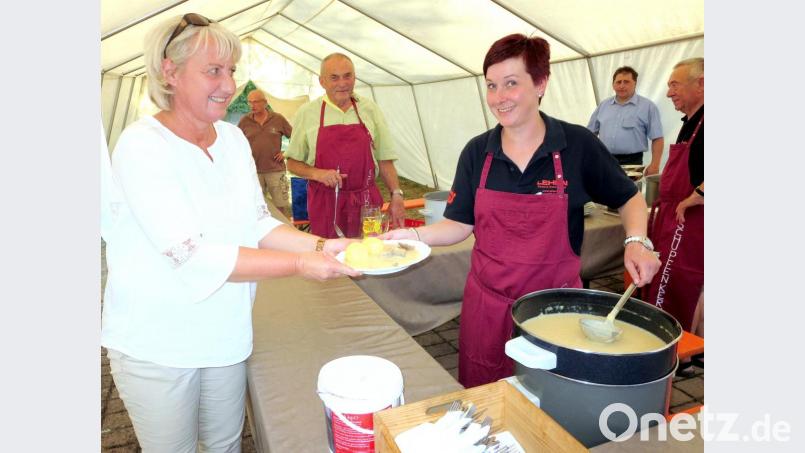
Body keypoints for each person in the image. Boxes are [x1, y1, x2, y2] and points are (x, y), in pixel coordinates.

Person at [101, 14, 359, 453]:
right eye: (213, 70)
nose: (228, 84)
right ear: (170, 72)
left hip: (225, 332)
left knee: (223, 445)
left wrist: (322, 244)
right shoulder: (142, 145)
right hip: (158, 342)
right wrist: (300, 263)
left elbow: (256, 221)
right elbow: (192, 254)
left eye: (232, 70)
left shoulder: (231, 140)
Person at [383, 34, 661, 388]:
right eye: (491, 86)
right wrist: (411, 236)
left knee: (552, 402)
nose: (499, 98)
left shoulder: (577, 145)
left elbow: (629, 198)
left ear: (541, 83)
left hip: (556, 311)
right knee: (487, 402)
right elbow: (458, 224)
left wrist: (637, 240)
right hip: (488, 309)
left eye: (511, 84)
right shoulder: (477, 152)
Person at [285, 53, 406, 238]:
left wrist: (397, 195)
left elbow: (385, 159)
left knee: (370, 252)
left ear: (355, 78)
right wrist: (318, 174)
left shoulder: (370, 109)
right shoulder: (307, 113)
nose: (342, 83)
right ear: (322, 81)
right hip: (326, 204)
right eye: (334, 77)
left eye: (347, 76)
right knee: (330, 258)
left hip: (367, 204)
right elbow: (292, 163)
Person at [644, 57, 704, 334]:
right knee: (670, 281)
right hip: (672, 214)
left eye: (675, 85)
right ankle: (684, 350)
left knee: (677, 284)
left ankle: (678, 350)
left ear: (702, 84)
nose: (669, 92)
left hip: (691, 218)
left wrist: (699, 194)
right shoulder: (690, 121)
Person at [587, 66, 665, 175]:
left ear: (635, 83)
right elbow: (590, 134)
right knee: (605, 191)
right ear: (613, 85)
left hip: (633, 162)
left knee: (630, 191)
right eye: (618, 82)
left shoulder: (648, 107)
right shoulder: (603, 106)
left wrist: (655, 165)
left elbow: (657, 138)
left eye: (626, 82)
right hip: (605, 159)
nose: (622, 86)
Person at [238, 89, 293, 218]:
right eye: (249, 102)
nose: (252, 105)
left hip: (275, 170)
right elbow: (235, 141)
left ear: (265, 103)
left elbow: (295, 137)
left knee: (281, 206)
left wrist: (286, 153)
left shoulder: (278, 119)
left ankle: (283, 235)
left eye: (256, 102)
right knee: (256, 207)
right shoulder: (244, 121)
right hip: (253, 171)